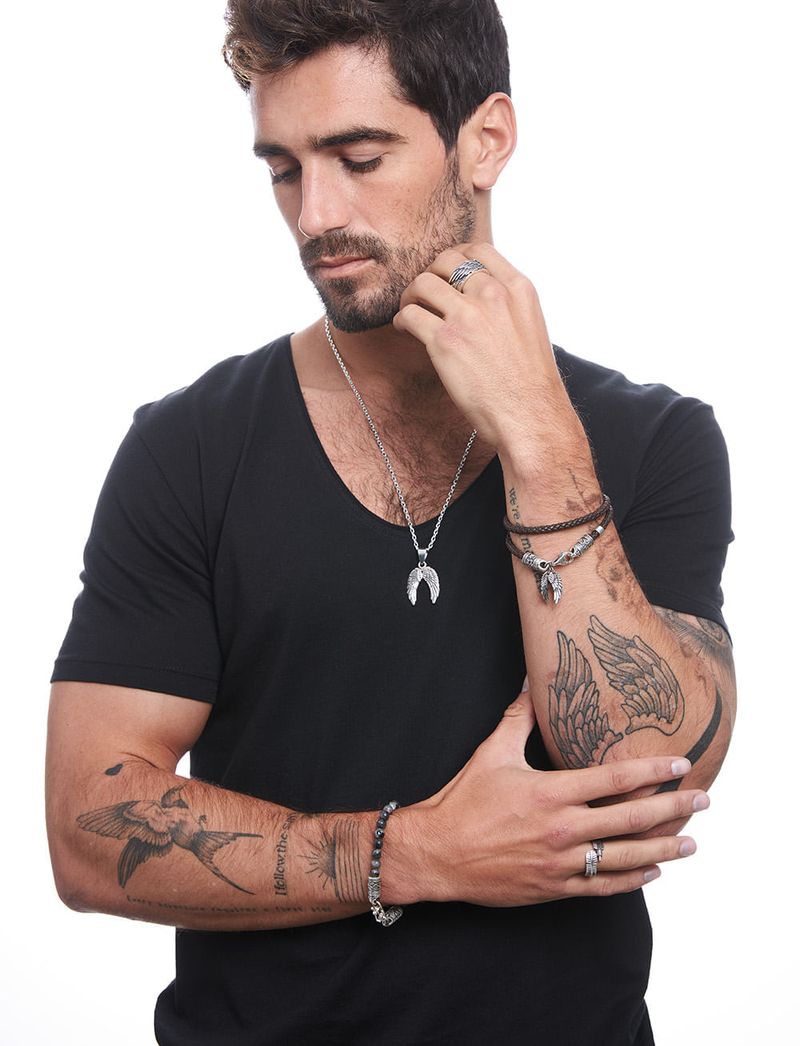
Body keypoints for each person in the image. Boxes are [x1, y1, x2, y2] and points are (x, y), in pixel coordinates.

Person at [46, 2, 735, 1043]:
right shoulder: (188, 447)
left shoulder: (654, 439)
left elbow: (646, 769)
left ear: (484, 141)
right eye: (283, 169)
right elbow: (87, 832)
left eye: (358, 158)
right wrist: (414, 853)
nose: (315, 215)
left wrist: (540, 440)